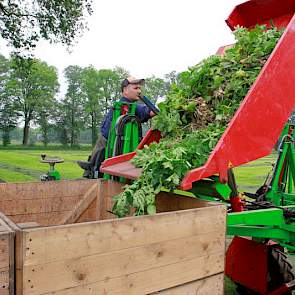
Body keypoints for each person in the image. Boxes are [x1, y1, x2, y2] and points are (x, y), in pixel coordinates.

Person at [77, 76, 156, 177]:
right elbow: (152, 111)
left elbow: (152, 111)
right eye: (135, 88)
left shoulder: (133, 108)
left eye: (140, 88)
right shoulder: (124, 106)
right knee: (94, 173)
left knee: (94, 173)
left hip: (111, 147)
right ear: (125, 90)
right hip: (105, 145)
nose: (139, 91)